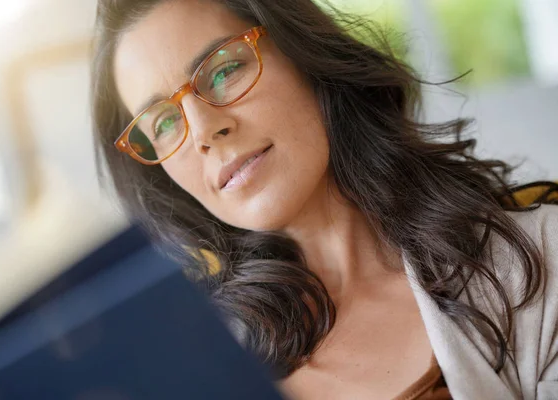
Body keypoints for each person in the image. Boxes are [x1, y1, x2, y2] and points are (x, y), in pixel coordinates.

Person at [90, 0, 558, 398]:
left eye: (225, 69)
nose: (204, 132)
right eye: (164, 124)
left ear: (301, 54)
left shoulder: (538, 258)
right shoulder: (196, 371)